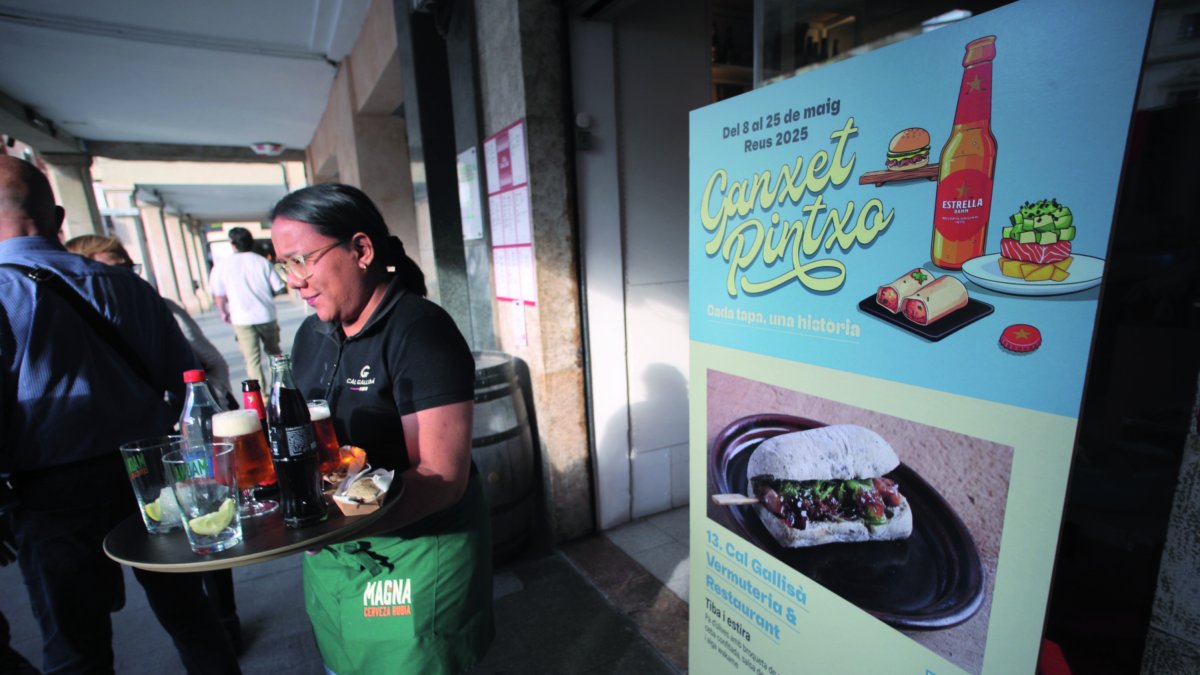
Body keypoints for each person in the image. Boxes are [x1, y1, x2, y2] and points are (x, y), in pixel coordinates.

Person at [0, 156, 241, 674]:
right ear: (59, 217)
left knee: (75, 644)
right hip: (150, 474)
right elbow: (184, 383)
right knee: (190, 614)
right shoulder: (127, 286)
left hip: (51, 495)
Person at [270, 183, 493, 673]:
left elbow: (441, 479)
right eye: (284, 265)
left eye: (304, 259)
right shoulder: (312, 334)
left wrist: (322, 522)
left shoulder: (420, 331)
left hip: (414, 553)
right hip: (334, 556)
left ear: (361, 250)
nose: (295, 281)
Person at [63, 233, 244, 651]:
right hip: (123, 461)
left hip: (173, 446)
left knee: (203, 529)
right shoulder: (75, 315)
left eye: (127, 263)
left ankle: (225, 621)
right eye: (113, 264)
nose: (124, 271)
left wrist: (196, 413)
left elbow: (209, 361)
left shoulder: (153, 304)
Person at [64, 234, 239, 409]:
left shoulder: (160, 307)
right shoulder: (69, 319)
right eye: (113, 272)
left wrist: (209, 410)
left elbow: (213, 362)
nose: (127, 278)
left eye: (129, 268)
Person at [209, 226, 286, 386]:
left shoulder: (223, 265)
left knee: (252, 360)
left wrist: (224, 312)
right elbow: (278, 287)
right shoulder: (262, 262)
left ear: (233, 244)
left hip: (241, 318)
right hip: (266, 315)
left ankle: (261, 397)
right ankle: (282, 388)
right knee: (275, 355)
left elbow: (219, 295)